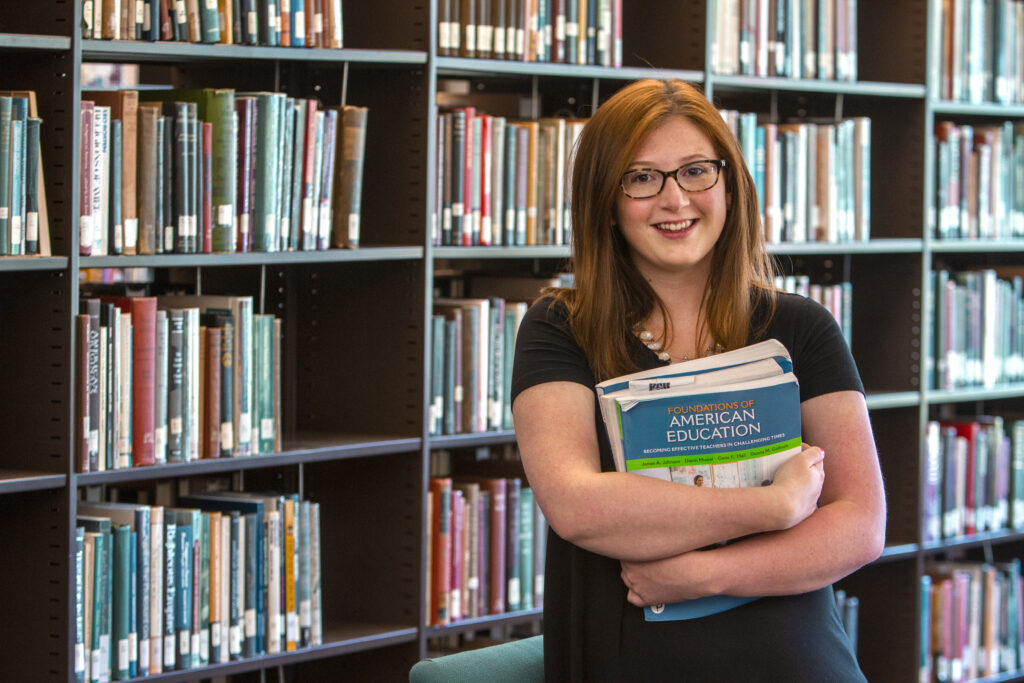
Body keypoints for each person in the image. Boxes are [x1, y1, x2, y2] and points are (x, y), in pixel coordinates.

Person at [510, 78, 886, 681]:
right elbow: (578, 506)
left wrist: (704, 575)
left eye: (695, 172)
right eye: (641, 178)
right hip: (628, 659)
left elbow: (860, 526)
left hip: (793, 660)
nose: (674, 199)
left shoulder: (801, 327)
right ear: (606, 201)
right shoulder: (561, 327)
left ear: (730, 186)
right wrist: (775, 505)